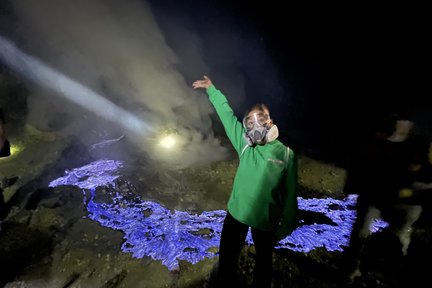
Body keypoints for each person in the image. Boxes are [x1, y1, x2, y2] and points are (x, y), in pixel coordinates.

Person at [192, 75, 298, 287]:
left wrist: (285, 227)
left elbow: (290, 195)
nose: (255, 125)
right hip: (237, 213)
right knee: (227, 260)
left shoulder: (286, 155)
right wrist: (212, 90)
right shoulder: (245, 145)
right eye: (250, 122)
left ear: (270, 122)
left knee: (263, 266)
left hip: (266, 221)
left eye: (260, 119)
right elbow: (227, 116)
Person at [343, 113, 425, 282]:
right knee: (361, 232)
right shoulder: (378, 142)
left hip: (397, 201)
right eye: (400, 123)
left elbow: (420, 175)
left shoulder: (415, 148)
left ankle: (391, 270)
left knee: (399, 236)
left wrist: (413, 188)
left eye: (406, 123)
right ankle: (351, 269)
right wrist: (351, 189)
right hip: (372, 196)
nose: (402, 126)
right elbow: (359, 165)